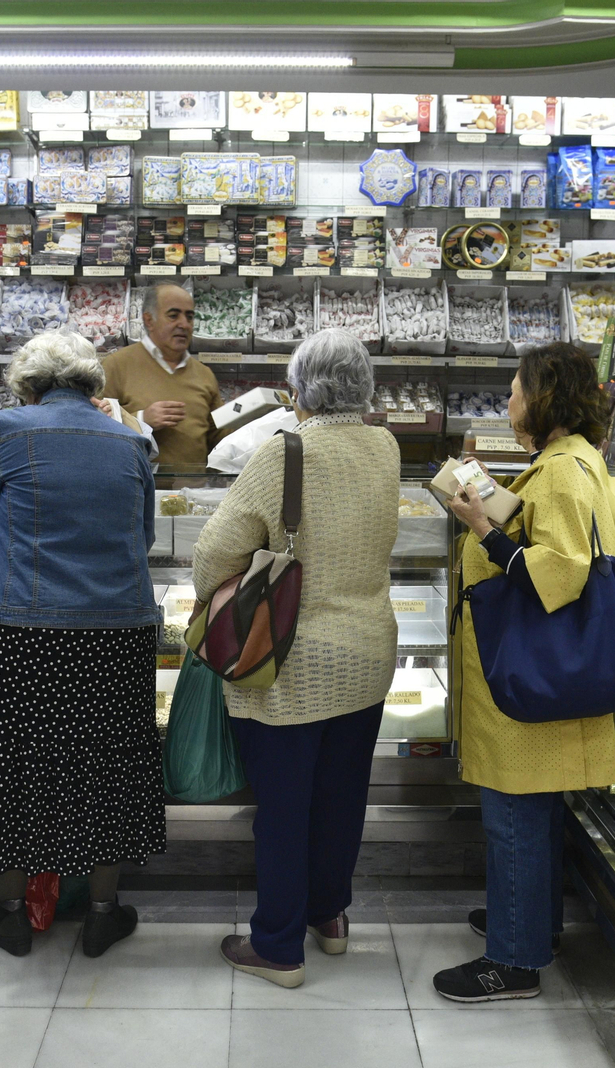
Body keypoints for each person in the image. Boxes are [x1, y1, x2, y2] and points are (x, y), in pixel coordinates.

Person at [0, 329, 165, 960]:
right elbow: (142, 536)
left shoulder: (8, 431)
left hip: (23, 633)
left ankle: (10, 914)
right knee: (109, 766)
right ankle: (102, 912)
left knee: (14, 767)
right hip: (115, 634)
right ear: (91, 384)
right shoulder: (132, 443)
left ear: (29, 385)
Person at [191, 328, 400, 989]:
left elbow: (212, 556)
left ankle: (278, 947)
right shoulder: (385, 445)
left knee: (283, 806)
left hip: (290, 659)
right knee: (342, 795)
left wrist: (214, 589)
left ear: (297, 389)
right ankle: (329, 917)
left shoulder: (283, 451)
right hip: (369, 651)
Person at [434, 342, 615, 1002]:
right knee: (533, 814)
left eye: (516, 390)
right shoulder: (566, 462)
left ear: (545, 396)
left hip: (532, 675)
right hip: (537, 678)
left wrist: (482, 528)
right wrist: (495, 499)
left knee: (513, 816)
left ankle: (513, 962)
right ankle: (529, 920)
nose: (509, 402)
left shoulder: (566, 471)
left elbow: (560, 574)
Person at [101, 284, 223, 468]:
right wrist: (140, 420)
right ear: (149, 320)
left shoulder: (204, 374)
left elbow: (219, 438)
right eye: (173, 316)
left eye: (189, 317)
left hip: (195, 492)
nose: (184, 324)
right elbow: (94, 429)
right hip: (138, 491)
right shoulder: (116, 366)